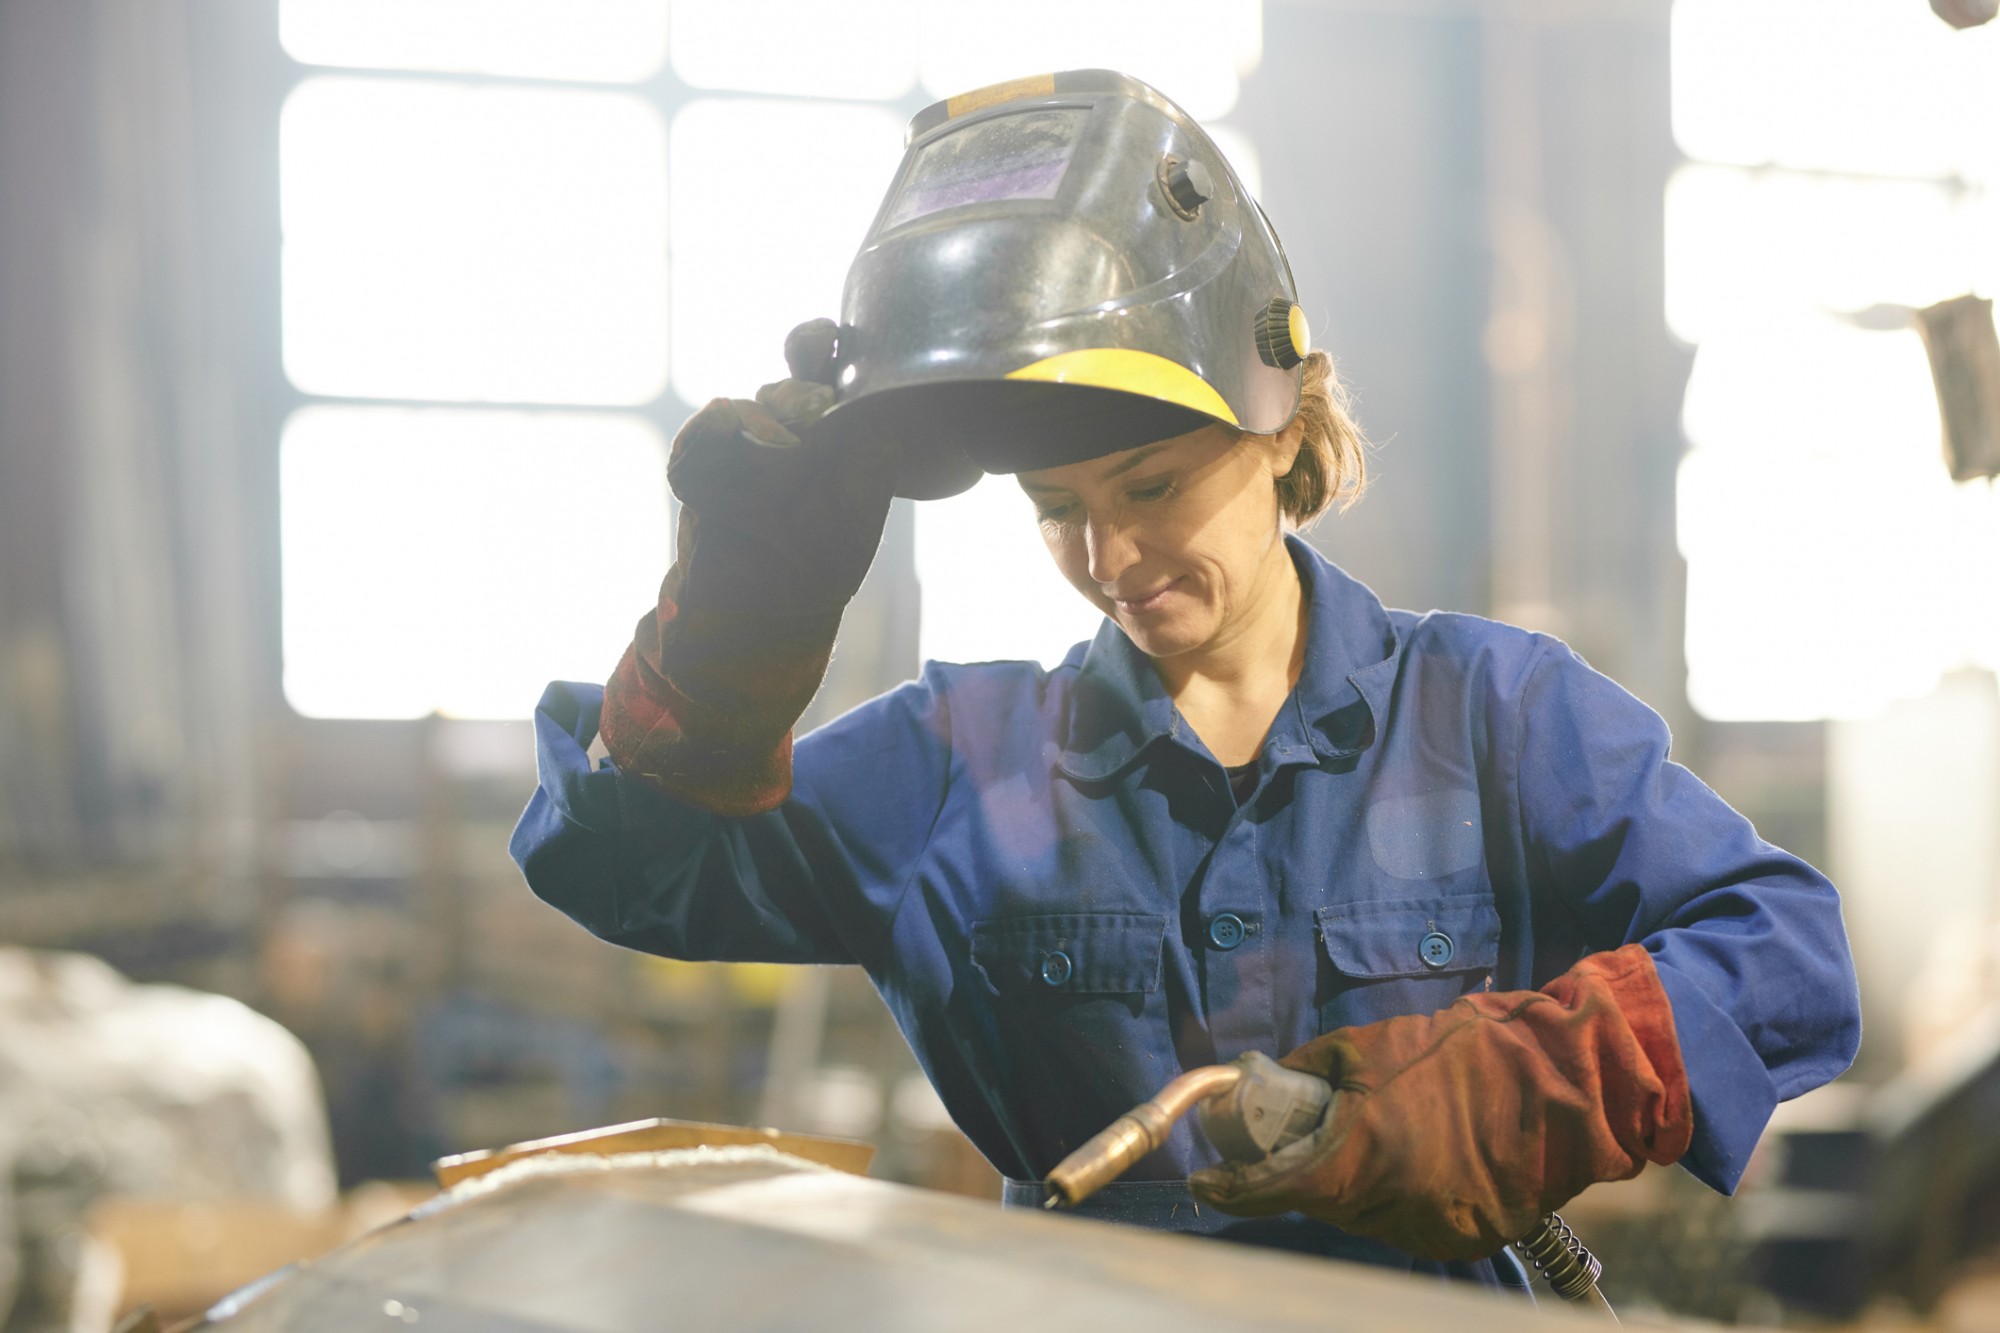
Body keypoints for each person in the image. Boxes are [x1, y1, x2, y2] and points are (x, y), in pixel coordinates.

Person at [511, 72, 1860, 1293]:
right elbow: (628, 864)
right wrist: (733, 629)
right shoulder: (954, 763)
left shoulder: (1492, 715)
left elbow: (1788, 953)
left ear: (1285, 428)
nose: (1108, 556)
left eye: (1152, 488)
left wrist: (1516, 1083)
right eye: (1057, 508)